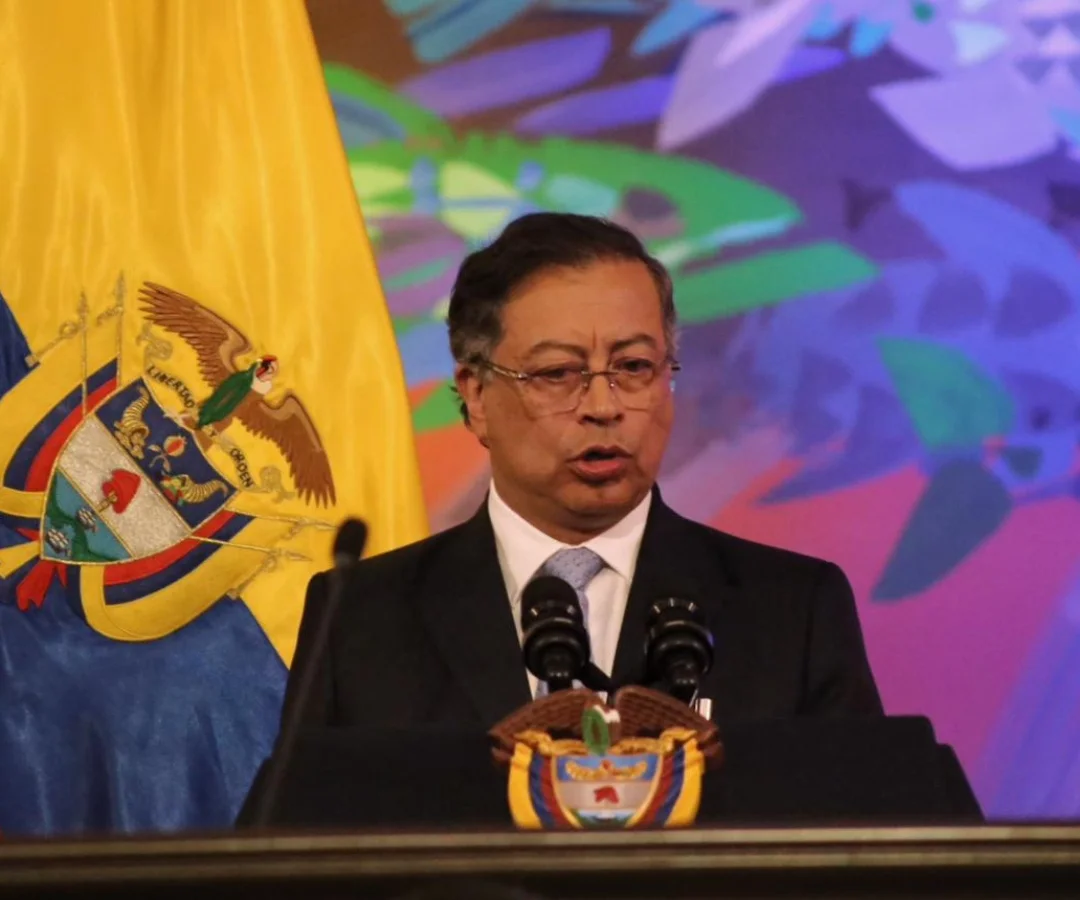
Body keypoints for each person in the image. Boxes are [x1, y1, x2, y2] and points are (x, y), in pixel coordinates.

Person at [284, 212, 882, 732]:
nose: (604, 405)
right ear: (477, 396)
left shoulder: (792, 611)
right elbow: (301, 844)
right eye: (557, 373)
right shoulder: (361, 620)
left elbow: (861, 839)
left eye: (634, 366)